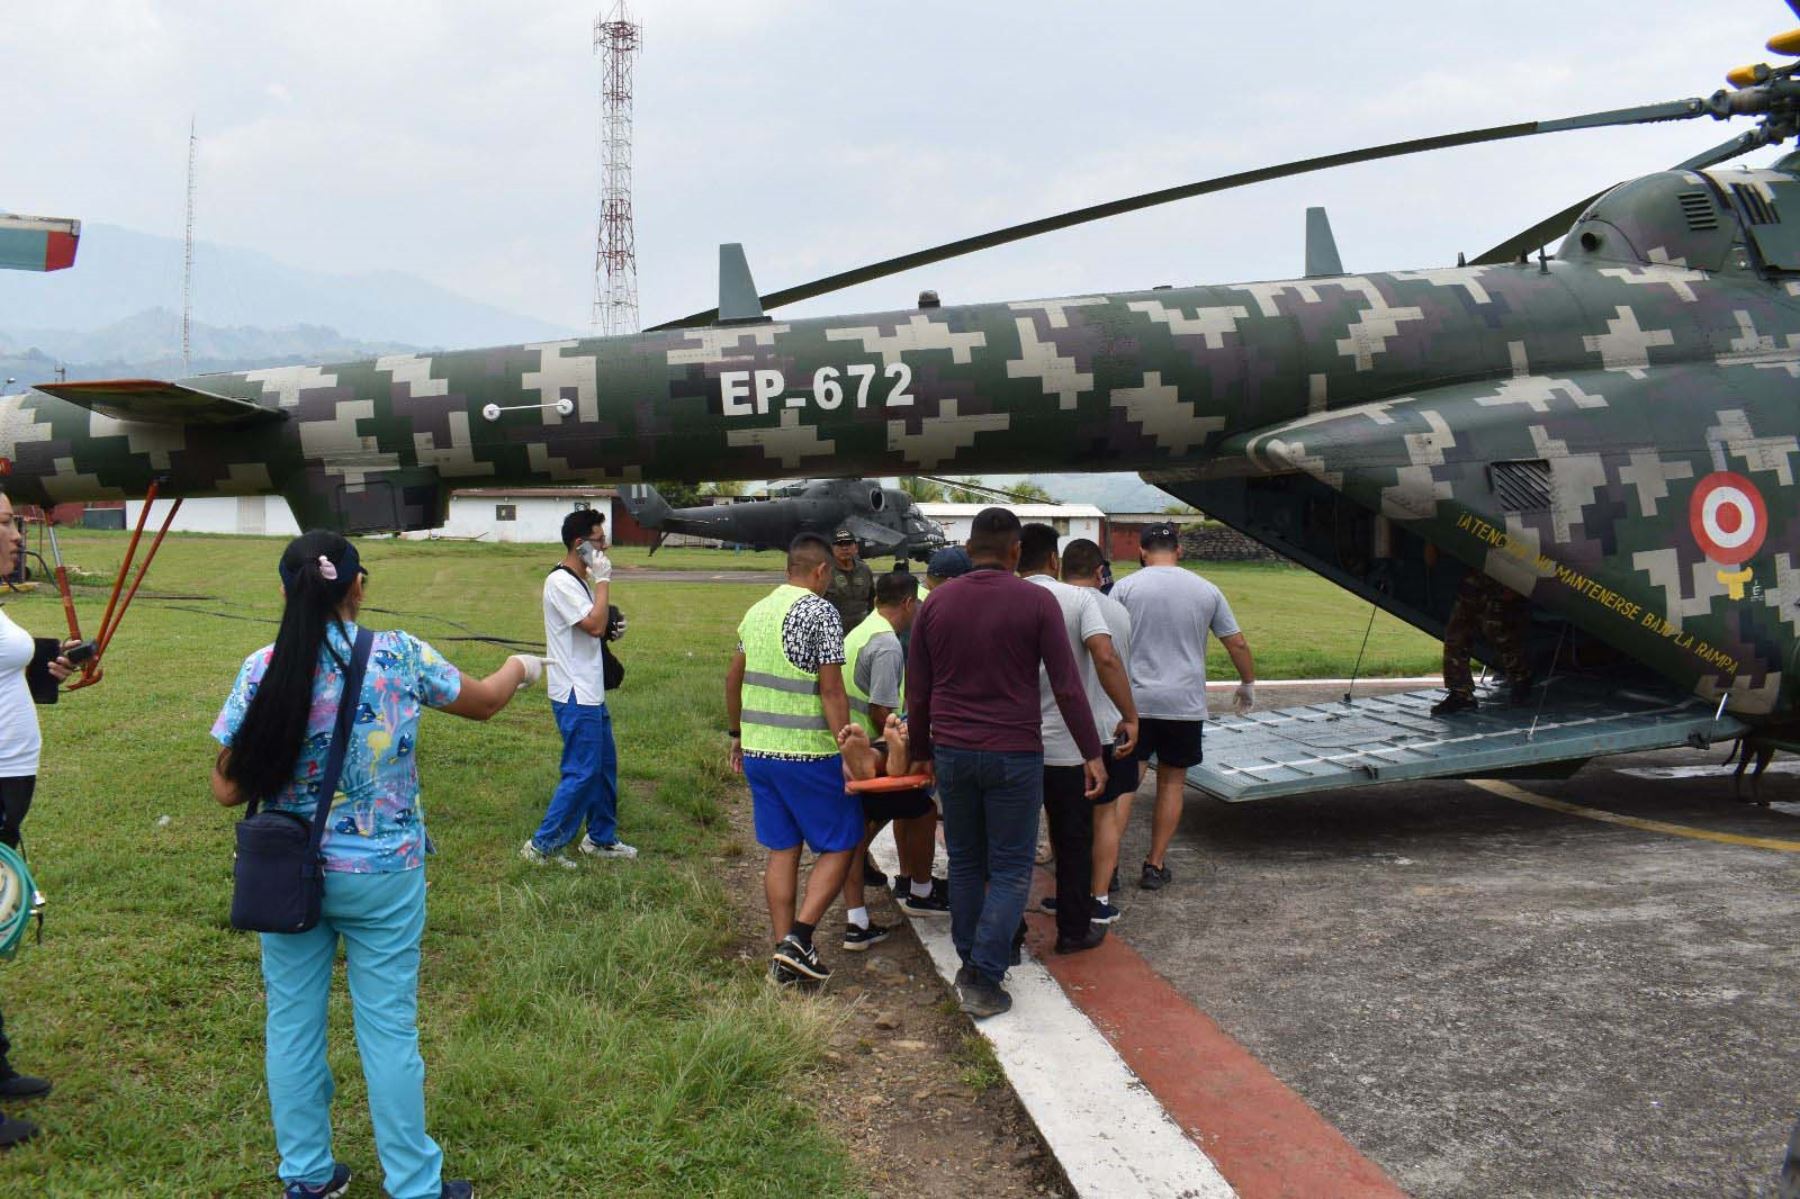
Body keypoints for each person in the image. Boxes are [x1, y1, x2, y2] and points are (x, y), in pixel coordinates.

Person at [211, 530, 538, 1199]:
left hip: (287, 875)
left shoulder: (262, 667)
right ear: (358, 586)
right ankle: (415, 1182)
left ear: (283, 590)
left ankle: (306, 1174)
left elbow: (226, 787)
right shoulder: (400, 654)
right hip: (386, 873)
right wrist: (520, 666)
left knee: (293, 1022)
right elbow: (485, 700)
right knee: (389, 1027)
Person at [907, 507, 1105, 1018]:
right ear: (1017, 551)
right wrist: (1090, 751)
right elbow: (1066, 684)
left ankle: (972, 958)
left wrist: (922, 753)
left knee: (968, 862)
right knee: (1013, 866)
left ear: (970, 548)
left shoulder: (936, 603)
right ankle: (983, 973)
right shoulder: (1036, 601)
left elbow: (919, 689)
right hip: (1014, 751)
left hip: (952, 749)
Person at [726, 533, 861, 985]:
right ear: (821, 571)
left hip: (760, 750)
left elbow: (734, 678)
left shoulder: (757, 611)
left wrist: (737, 735)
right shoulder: (820, 611)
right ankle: (800, 938)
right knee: (842, 841)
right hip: (806, 751)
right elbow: (831, 689)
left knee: (782, 849)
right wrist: (847, 748)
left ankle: (784, 955)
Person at [1110, 522, 1255, 893]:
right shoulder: (1205, 589)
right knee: (1172, 783)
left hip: (1134, 703)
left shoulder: (1124, 588)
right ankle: (1154, 864)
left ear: (1142, 551)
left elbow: (1105, 644)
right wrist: (1247, 683)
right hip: (1184, 703)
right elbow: (1236, 642)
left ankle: (1106, 864)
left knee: (1126, 783)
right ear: (1179, 549)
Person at [1017, 526, 1139, 954]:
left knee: (1012, 841)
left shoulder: (1008, 597)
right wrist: (1129, 713)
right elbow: (1104, 656)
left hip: (1016, 740)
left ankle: (1010, 930)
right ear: (1054, 559)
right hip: (1069, 744)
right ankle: (1072, 929)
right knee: (1072, 841)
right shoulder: (1080, 600)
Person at [0, 488, 73, 1149]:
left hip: (8, 787)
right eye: (2, 524)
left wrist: (45, 664)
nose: (16, 534)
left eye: (14, 521)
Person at [838, 571, 947, 950]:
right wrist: (908, 741)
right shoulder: (887, 644)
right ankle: (920, 889)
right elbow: (881, 707)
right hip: (874, 748)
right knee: (922, 811)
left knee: (855, 836)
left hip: (848, 746)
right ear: (907, 604)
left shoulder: (860, 632)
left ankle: (857, 917)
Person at [523, 508, 635, 867]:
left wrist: (611, 625)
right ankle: (542, 846)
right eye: (599, 541)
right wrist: (604, 583)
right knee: (582, 771)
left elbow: (597, 624)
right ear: (579, 544)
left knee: (604, 767)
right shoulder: (559, 582)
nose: (605, 549)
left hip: (589, 690)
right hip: (574, 693)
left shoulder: (577, 581)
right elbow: (590, 624)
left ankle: (600, 838)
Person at [1058, 538, 1139, 924]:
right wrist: (1131, 713)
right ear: (1098, 572)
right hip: (1107, 725)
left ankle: (1068, 890)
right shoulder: (1117, 611)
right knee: (1104, 815)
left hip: (1063, 729)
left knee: (1064, 818)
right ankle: (1099, 896)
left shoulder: (1052, 603)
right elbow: (1115, 661)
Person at [1432, 569, 1532, 716]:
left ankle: (1521, 677)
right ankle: (1460, 693)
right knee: (1457, 633)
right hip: (1475, 578)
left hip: (1505, 576)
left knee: (1496, 629)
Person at [824, 530, 874, 630]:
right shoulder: (824, 572)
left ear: (856, 548)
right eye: (840, 544)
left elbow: (872, 600)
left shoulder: (865, 570)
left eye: (848, 544)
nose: (845, 548)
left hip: (862, 629)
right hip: (835, 630)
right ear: (832, 549)